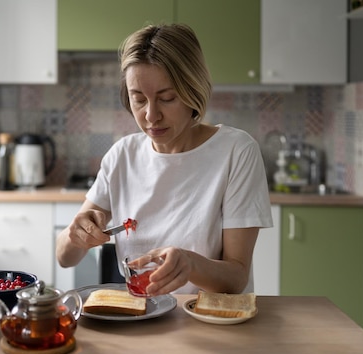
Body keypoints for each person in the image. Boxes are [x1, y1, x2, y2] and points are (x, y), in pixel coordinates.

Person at [56, 23, 272, 296]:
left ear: (192, 90)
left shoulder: (236, 151)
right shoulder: (122, 156)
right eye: (139, 100)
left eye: (166, 98)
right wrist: (76, 235)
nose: (151, 116)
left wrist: (190, 263)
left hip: (210, 324)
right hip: (142, 320)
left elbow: (236, 278)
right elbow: (64, 257)